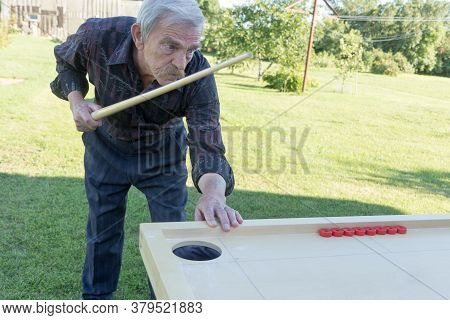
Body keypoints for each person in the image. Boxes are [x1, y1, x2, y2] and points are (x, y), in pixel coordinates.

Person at [50, 0, 243, 300]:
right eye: (170, 47)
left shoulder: (198, 72)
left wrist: (213, 193)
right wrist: (76, 100)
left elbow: (207, 141)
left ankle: (167, 302)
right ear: (139, 35)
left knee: (171, 235)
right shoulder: (99, 36)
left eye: (190, 49)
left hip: (162, 152)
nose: (181, 64)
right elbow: (66, 63)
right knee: (103, 229)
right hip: (106, 145)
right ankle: (96, 302)